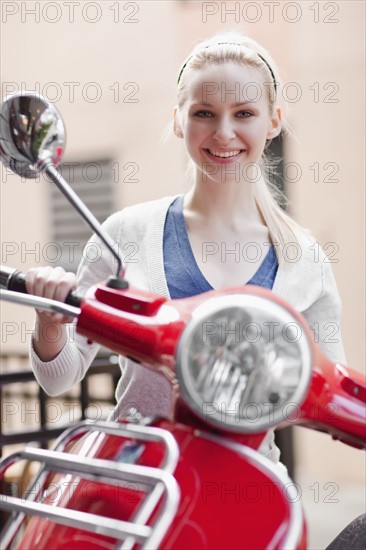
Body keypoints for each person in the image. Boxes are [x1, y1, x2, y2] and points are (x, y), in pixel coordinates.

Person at [25, 31, 346, 467]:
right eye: (205, 113)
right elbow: (59, 379)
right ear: (179, 119)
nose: (224, 132)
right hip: (138, 491)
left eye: (245, 113)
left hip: (252, 495)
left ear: (273, 121)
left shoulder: (304, 261)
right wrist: (49, 324)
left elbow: (331, 401)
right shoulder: (124, 235)